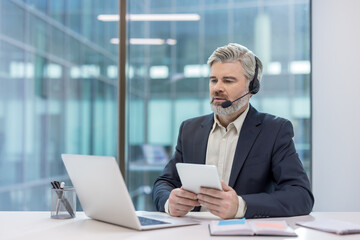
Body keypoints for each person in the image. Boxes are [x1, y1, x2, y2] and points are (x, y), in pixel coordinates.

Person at [153, 43, 314, 219]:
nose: (217, 88)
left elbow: (301, 196)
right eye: (213, 80)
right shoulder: (189, 130)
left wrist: (241, 206)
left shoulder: (274, 131)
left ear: (253, 88)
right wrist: (170, 201)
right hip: (194, 232)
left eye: (228, 80)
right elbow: (164, 182)